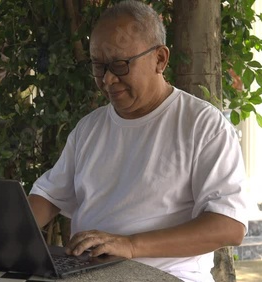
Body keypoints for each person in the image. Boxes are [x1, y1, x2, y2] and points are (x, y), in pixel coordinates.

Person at [27, 1, 249, 281]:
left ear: (160, 59)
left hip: (165, 275)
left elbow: (229, 226)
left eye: (120, 65)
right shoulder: (89, 128)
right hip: (88, 272)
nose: (107, 79)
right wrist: (1, 238)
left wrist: (131, 245)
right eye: (99, 66)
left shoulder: (202, 125)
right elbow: (48, 196)